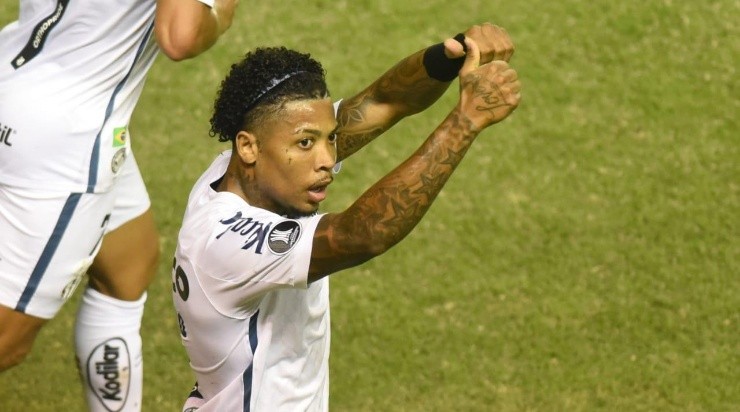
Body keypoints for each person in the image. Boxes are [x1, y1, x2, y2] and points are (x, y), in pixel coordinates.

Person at [172, 25, 520, 410]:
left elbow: (384, 101)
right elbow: (360, 234)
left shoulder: (240, 172)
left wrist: (447, 57)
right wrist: (466, 120)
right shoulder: (225, 242)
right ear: (248, 147)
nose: (327, 159)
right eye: (306, 143)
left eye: (330, 138)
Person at [0, 0, 238, 410]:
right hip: (65, 139)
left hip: (14, 73)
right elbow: (179, 35)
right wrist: (221, 14)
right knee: (8, 340)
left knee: (128, 264)